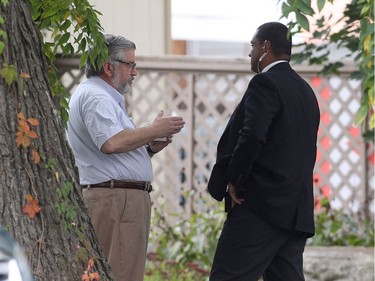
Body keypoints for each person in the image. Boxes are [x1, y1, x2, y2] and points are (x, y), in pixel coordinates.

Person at [207, 22, 320, 281]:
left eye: (253, 46)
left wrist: (235, 178)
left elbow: (253, 136)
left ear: (265, 46)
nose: (250, 53)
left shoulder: (265, 83)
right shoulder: (306, 91)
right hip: (295, 210)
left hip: (260, 207)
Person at [67, 34, 185, 281]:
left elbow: (115, 146)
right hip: (115, 199)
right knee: (120, 274)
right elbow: (111, 143)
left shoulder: (102, 97)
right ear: (108, 67)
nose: (135, 72)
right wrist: (154, 130)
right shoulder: (96, 97)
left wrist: (149, 146)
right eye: (130, 65)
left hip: (116, 198)